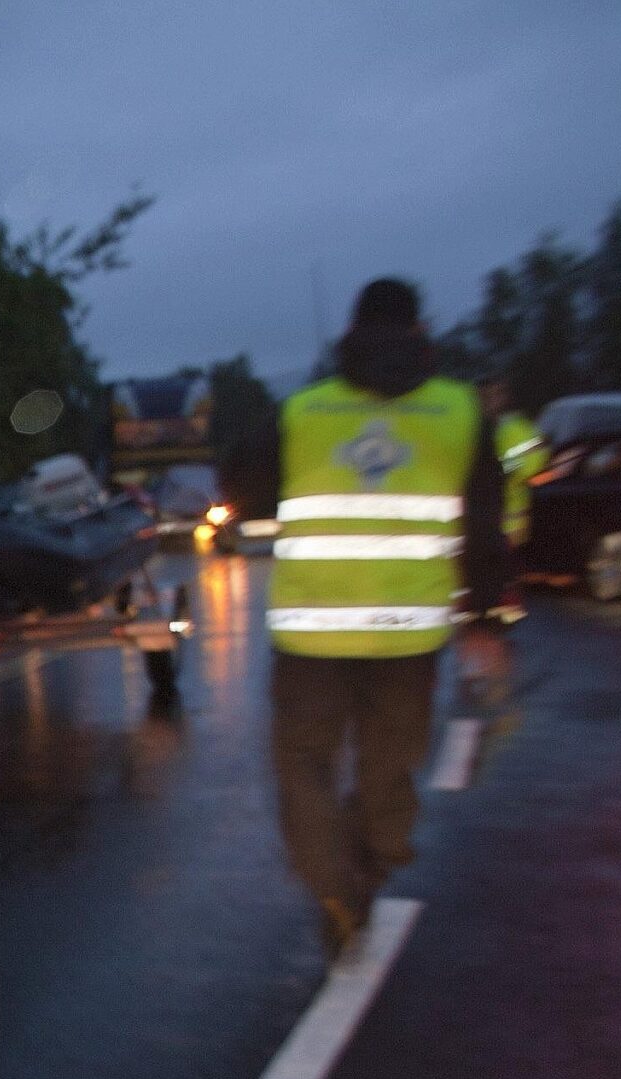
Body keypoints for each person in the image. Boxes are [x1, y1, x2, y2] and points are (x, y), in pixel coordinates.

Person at [263, 278, 513, 961]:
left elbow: (240, 483)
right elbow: (487, 530)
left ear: (352, 330)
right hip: (410, 635)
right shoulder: (460, 410)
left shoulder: (305, 410)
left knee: (305, 766)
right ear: (419, 332)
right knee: (388, 764)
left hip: (312, 634)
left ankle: (333, 886)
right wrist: (487, 623)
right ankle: (367, 872)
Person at [481, 377, 550, 566]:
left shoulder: (518, 428)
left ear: (505, 398)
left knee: (502, 578)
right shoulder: (473, 426)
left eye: (496, 394)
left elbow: (534, 461)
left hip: (508, 523)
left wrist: (502, 469)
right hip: (479, 522)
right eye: (486, 395)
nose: (490, 400)